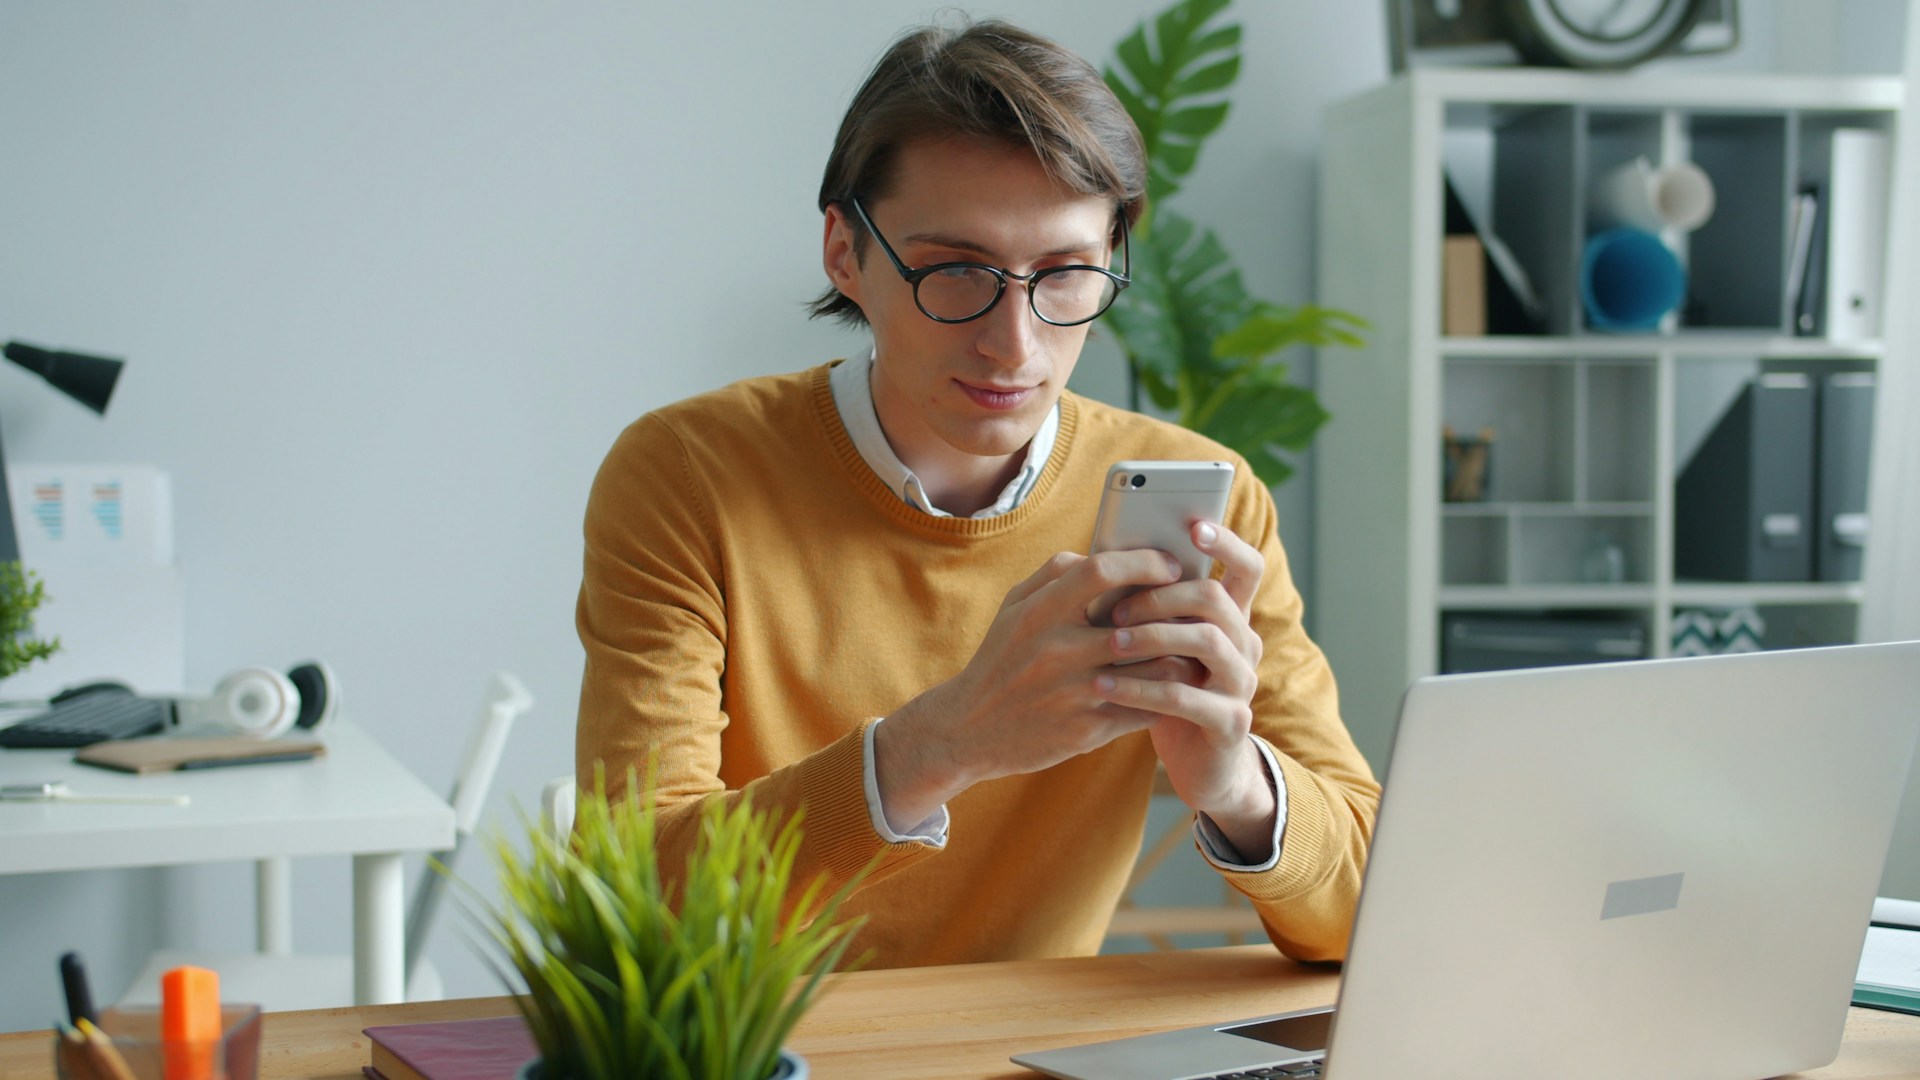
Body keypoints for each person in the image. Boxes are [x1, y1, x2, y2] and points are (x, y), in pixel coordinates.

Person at [575, 17, 1378, 967]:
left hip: (1030, 1058)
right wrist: (943, 744)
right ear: (845, 252)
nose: (1015, 343)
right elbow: (637, 899)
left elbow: (1372, 906)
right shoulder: (687, 475)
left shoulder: (1214, 501)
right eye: (957, 270)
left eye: (1068, 274)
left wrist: (1237, 785)